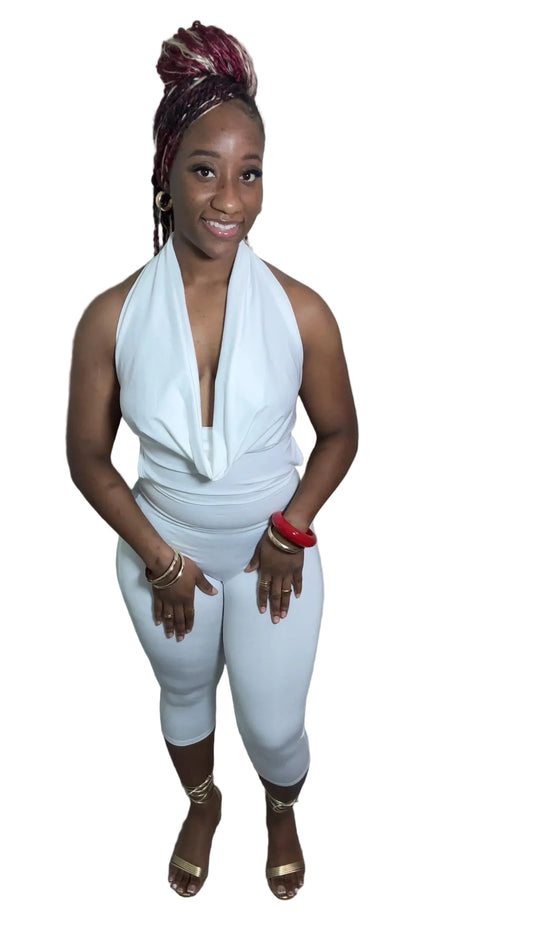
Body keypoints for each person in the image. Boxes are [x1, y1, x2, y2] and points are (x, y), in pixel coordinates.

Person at [67, 20, 358, 901]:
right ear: (165, 173)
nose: (230, 198)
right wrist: (158, 557)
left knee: (273, 723)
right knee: (184, 693)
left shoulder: (302, 311)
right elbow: (86, 456)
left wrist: (290, 529)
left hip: (273, 556)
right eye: (205, 170)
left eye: (249, 172)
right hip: (164, 552)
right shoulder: (110, 317)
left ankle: (280, 802)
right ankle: (203, 802)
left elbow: (340, 434)